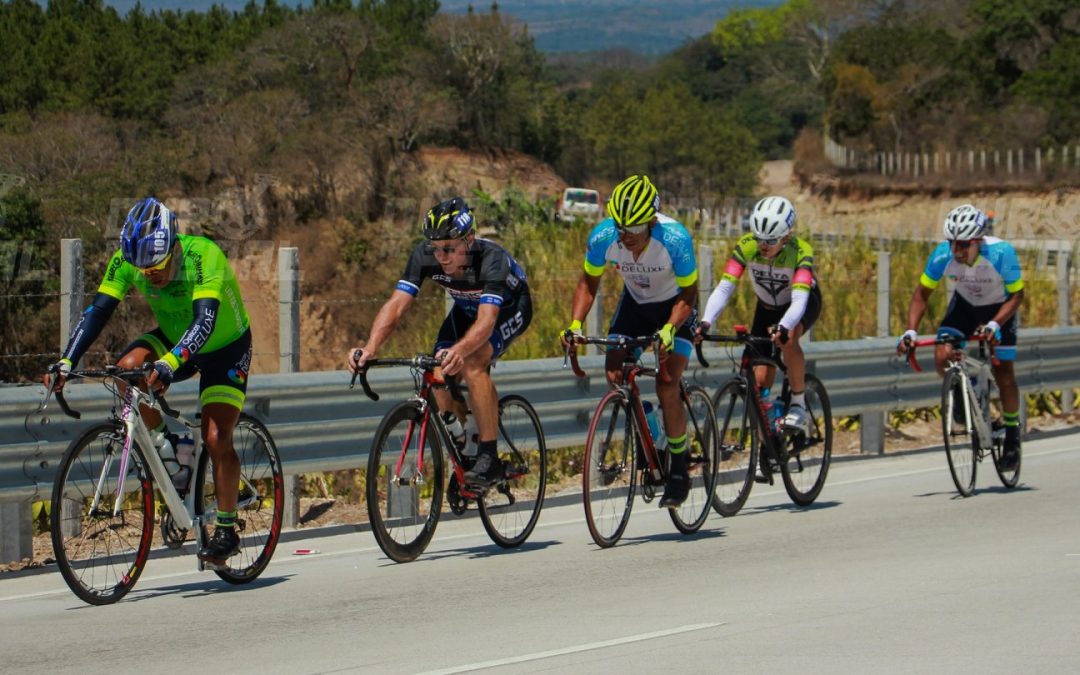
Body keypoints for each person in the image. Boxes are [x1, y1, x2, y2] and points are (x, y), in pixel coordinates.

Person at [47, 197, 254, 568]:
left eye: (156, 267)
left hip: (224, 347)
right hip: (174, 338)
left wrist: (172, 361)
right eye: (142, 270)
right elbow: (97, 312)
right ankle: (171, 443)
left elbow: (205, 322)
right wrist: (66, 360)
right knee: (126, 371)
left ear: (174, 245)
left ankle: (225, 529)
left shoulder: (203, 257)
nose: (150, 276)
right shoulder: (129, 262)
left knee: (215, 437)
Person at [346, 197, 531, 487]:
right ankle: (462, 432)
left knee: (472, 363)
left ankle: (488, 455)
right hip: (465, 310)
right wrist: (370, 348)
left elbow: (486, 322)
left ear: (469, 240)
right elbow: (396, 306)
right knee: (436, 368)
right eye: (435, 248)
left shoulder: (491, 260)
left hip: (508, 309)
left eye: (449, 248)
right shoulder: (425, 256)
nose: (441, 256)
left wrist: (460, 350)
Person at [561, 174, 699, 508]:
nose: (626, 237)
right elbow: (588, 283)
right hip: (635, 306)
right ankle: (652, 430)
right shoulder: (604, 236)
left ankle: (679, 466)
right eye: (621, 228)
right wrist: (576, 323)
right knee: (615, 375)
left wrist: (669, 329)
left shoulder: (675, 239)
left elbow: (690, 293)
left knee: (667, 384)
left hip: (676, 309)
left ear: (651, 221)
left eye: (634, 230)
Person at [897, 204, 1024, 469]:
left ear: (978, 240)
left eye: (964, 245)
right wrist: (911, 330)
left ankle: (1012, 435)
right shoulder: (943, 255)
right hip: (965, 306)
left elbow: (1017, 296)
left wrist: (995, 324)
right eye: (953, 243)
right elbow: (921, 294)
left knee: (1005, 374)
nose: (957, 251)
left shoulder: (1002, 253)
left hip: (1000, 308)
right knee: (942, 354)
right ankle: (960, 387)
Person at [696, 196, 822, 435]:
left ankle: (798, 405)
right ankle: (769, 432)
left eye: (771, 240)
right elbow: (725, 287)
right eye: (759, 238)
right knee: (760, 379)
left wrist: (784, 327)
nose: (763, 245)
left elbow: (799, 300)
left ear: (786, 236)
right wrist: (705, 321)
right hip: (766, 307)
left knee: (789, 338)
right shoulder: (747, 246)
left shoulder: (801, 252)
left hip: (801, 303)